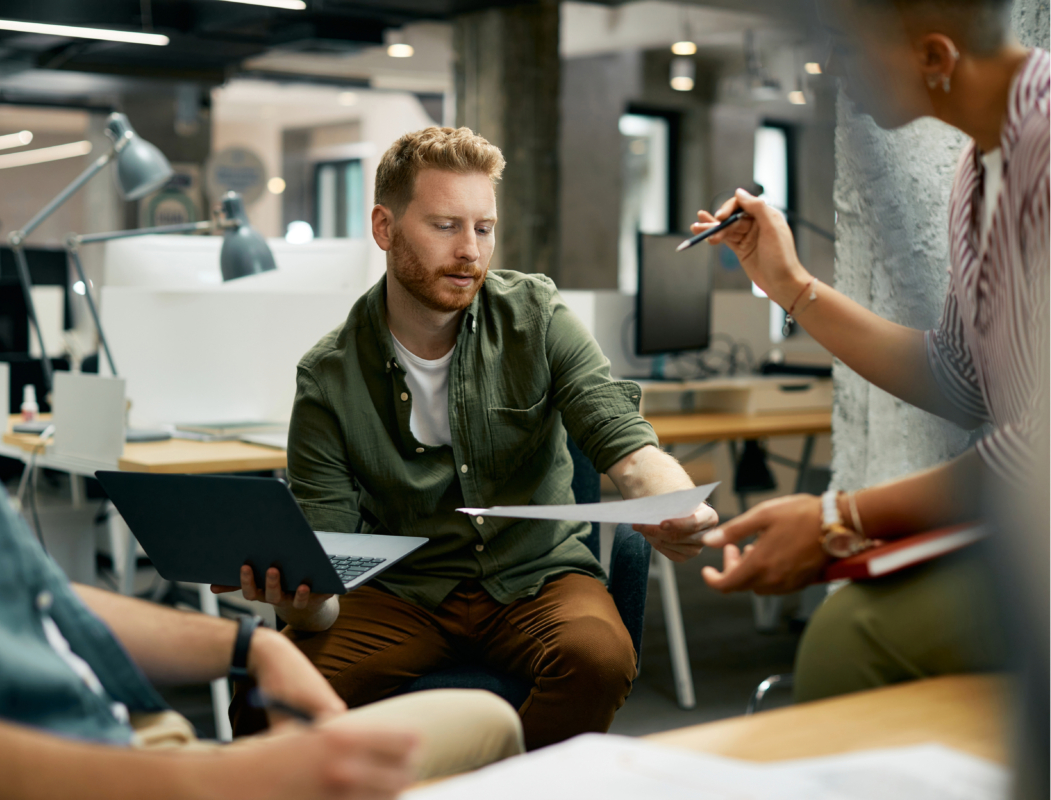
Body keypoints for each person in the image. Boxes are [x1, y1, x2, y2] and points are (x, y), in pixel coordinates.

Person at [0, 21, 524, 800]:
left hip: (121, 730)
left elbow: (40, 591)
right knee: (481, 730)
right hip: (110, 765)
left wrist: (248, 648)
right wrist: (227, 776)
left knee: (487, 721)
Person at [219, 126, 719, 749]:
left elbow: (623, 439)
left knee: (597, 657)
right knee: (269, 697)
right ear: (385, 228)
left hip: (535, 574)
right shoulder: (327, 378)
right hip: (404, 589)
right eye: (445, 226)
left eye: (483, 228)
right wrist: (299, 599)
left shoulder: (536, 316)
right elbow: (324, 588)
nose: (470, 252)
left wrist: (674, 504)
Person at [692, 0, 1047, 701]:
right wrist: (789, 284)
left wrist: (838, 518)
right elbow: (960, 376)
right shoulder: (979, 170)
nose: (838, 70)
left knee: (853, 638)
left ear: (935, 59)